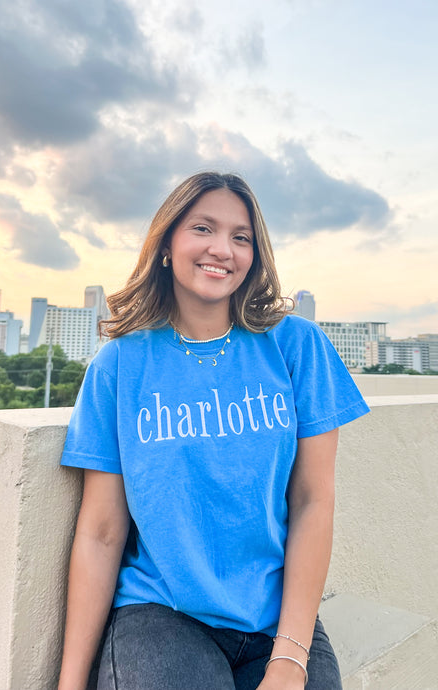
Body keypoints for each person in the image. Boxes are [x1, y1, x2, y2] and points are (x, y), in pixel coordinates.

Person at [58, 172, 369, 690]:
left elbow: (314, 500)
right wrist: (70, 683)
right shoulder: (119, 366)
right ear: (167, 245)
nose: (222, 249)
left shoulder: (296, 347)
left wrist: (291, 657)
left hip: (276, 619)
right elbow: (101, 531)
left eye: (240, 237)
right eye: (203, 228)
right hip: (162, 614)